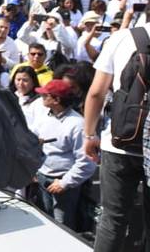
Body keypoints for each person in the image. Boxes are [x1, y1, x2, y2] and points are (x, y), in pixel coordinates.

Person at [83, 27, 150, 252]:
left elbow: (96, 93)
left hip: (120, 142)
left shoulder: (123, 37)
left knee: (112, 220)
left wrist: (90, 135)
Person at [30, 79, 96, 230]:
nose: (41, 98)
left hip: (64, 185)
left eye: (45, 95)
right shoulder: (45, 117)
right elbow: (32, 142)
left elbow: (87, 161)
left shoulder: (77, 124)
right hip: (42, 179)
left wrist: (65, 183)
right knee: (46, 226)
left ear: (56, 99)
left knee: (63, 228)